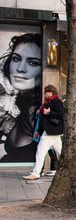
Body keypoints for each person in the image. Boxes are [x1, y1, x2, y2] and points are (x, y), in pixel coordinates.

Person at [0, 33, 42, 163]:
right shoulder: (18, 107)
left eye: (32, 63)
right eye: (16, 59)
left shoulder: (34, 113)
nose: (20, 69)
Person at [23, 85, 63, 180]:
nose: (45, 94)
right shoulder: (47, 103)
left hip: (51, 132)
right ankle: (73, 168)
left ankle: (36, 172)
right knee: (61, 151)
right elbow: (43, 119)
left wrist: (49, 113)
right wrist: (39, 130)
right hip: (51, 132)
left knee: (40, 151)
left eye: (46, 92)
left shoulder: (56, 102)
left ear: (51, 92)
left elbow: (61, 114)